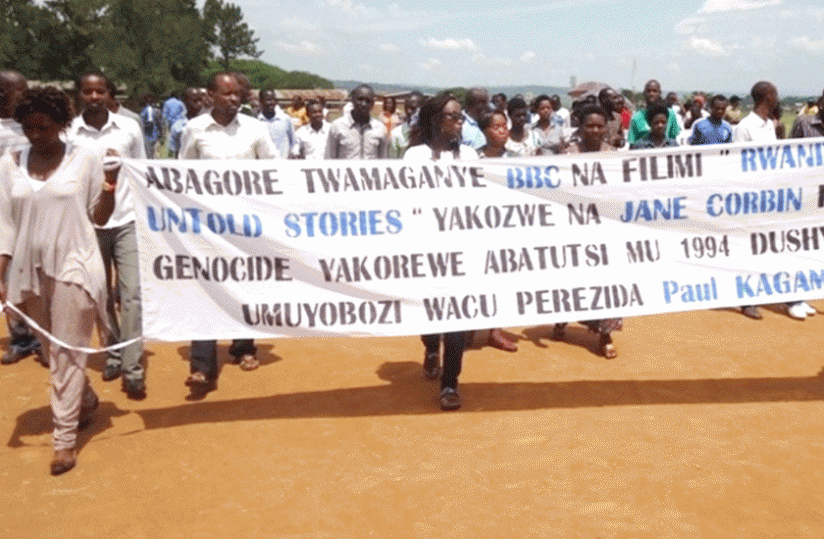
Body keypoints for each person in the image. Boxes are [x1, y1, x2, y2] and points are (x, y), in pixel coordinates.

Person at [1, 86, 117, 475]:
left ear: (61, 124)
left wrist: (111, 187)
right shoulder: (10, 162)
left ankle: (64, 440)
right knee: (51, 351)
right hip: (28, 269)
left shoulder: (84, 158)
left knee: (66, 352)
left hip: (75, 264)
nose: (37, 135)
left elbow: (98, 217)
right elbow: (4, 225)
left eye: (45, 128)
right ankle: (83, 399)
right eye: (30, 128)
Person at [179, 71, 279, 392]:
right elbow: (182, 174)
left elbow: (274, 171)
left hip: (246, 225)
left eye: (238, 94)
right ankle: (202, 364)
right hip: (205, 226)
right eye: (226, 93)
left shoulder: (256, 129)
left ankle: (244, 346)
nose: (233, 99)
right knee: (205, 287)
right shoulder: (194, 129)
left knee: (245, 285)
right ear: (211, 95)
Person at [69, 71, 147, 399]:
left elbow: (143, 170)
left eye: (100, 91)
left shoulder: (129, 128)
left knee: (131, 294)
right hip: (87, 225)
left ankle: (134, 368)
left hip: (127, 219)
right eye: (88, 91)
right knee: (100, 296)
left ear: (109, 94)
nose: (94, 97)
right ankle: (113, 353)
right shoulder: (70, 132)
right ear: (79, 95)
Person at [404, 93, 475, 410]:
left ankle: (450, 383)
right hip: (424, 247)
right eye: (452, 117)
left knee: (456, 319)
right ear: (435, 120)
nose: (459, 123)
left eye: (461, 117)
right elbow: (405, 203)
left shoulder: (470, 157)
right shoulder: (414, 157)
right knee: (428, 312)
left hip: (461, 249)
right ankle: (431, 347)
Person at [733, 81, 813, 321]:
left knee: (777, 246)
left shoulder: (770, 126)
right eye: (775, 93)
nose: (778, 97)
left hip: (772, 198)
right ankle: (748, 301)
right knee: (751, 250)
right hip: (751, 199)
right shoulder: (745, 127)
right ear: (767, 97)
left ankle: (792, 298)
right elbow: (736, 164)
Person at [553, 105, 621, 358]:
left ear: (606, 128)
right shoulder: (568, 155)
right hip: (574, 227)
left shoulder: (613, 156)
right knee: (572, 279)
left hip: (604, 229)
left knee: (606, 282)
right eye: (589, 125)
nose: (594, 130)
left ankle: (605, 333)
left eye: (599, 126)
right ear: (580, 127)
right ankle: (561, 320)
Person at [0, 71, 42, 366]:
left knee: (39, 271)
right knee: (8, 273)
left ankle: (44, 336)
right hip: (3, 212)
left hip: (35, 208)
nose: (25, 96)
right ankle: (20, 337)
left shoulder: (37, 125)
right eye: (20, 91)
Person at [325, 84, 387, 159]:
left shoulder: (380, 128)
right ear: (352, 100)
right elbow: (329, 158)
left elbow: (383, 160)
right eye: (360, 99)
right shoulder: (337, 126)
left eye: (368, 101)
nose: (363, 104)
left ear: (373, 104)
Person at [627, 80, 680, 144]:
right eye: (648, 91)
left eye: (655, 91)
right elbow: (632, 143)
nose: (651, 94)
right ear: (644, 93)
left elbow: (673, 138)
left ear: (660, 93)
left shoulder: (670, 114)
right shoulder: (636, 117)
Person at [258, 88, 296, 158]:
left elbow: (293, 142)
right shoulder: (256, 122)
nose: (272, 102)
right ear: (260, 101)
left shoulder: (285, 119)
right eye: (268, 100)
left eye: (274, 100)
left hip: (283, 165)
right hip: (264, 166)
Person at [168, 87, 203, 158]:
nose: (199, 104)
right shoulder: (178, 127)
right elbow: (174, 152)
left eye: (201, 100)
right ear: (185, 102)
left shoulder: (211, 124)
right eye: (195, 101)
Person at [388, 91, 423, 158]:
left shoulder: (430, 135)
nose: (409, 111)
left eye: (413, 108)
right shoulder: (396, 134)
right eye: (406, 107)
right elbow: (392, 163)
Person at [138, 91, 163, 158]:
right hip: (150, 137)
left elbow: (150, 123)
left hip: (150, 138)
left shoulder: (148, 109)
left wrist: (141, 129)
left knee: (151, 157)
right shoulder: (145, 109)